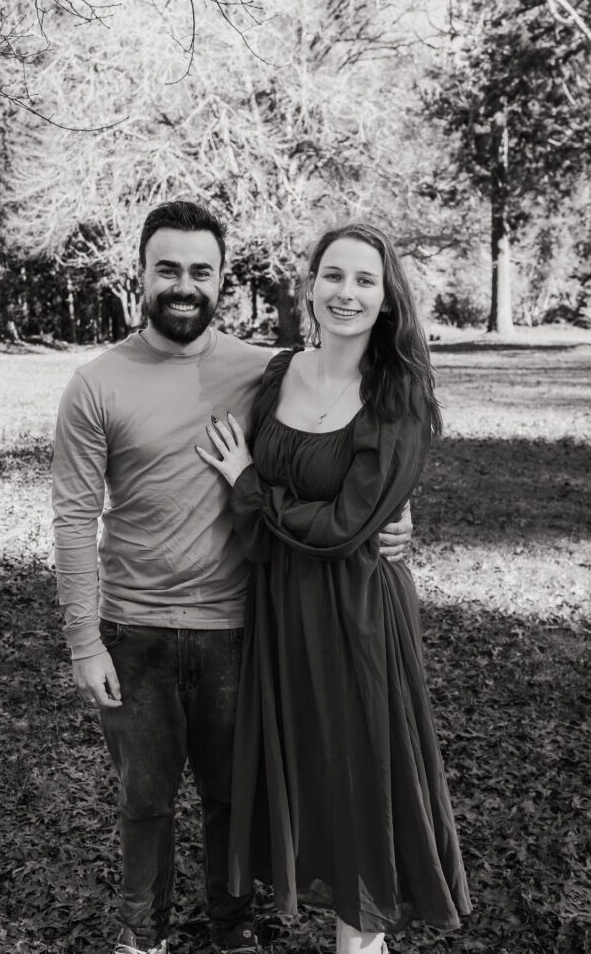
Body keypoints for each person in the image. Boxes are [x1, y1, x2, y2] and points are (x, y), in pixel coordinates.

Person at [51, 202, 413, 954]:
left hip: (239, 623)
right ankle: (139, 936)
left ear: (221, 279)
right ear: (141, 274)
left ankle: (232, 930)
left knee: (233, 797)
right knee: (143, 799)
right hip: (133, 627)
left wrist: (398, 516)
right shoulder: (94, 384)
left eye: (200, 271)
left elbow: (340, 434)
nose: (184, 285)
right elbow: (72, 521)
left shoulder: (264, 371)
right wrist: (84, 641)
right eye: (168, 269)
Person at [197, 223, 472, 954]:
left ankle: (362, 940)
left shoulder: (397, 394)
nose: (346, 293)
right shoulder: (276, 373)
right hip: (281, 610)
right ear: (308, 286)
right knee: (310, 772)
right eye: (333, 276)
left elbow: (344, 527)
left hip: (356, 615)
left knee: (360, 773)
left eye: (364, 281)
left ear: (387, 302)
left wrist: (248, 485)